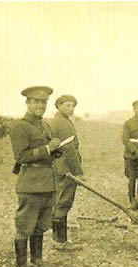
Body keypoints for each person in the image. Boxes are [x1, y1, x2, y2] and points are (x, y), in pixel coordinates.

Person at [9, 86, 60, 267]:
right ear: (28, 103)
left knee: (41, 226)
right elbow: (22, 156)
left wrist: (55, 151)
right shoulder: (20, 127)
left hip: (48, 183)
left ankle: (37, 262)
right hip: (31, 184)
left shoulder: (45, 126)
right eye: (36, 101)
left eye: (43, 102)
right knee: (25, 226)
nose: (40, 105)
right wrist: (47, 148)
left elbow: (46, 152)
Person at [50, 94, 84, 252]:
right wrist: (78, 172)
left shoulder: (58, 120)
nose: (70, 109)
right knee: (64, 203)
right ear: (58, 106)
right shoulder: (63, 123)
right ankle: (61, 242)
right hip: (66, 168)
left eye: (72, 106)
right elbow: (70, 150)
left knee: (58, 202)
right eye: (67, 105)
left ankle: (56, 237)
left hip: (58, 166)